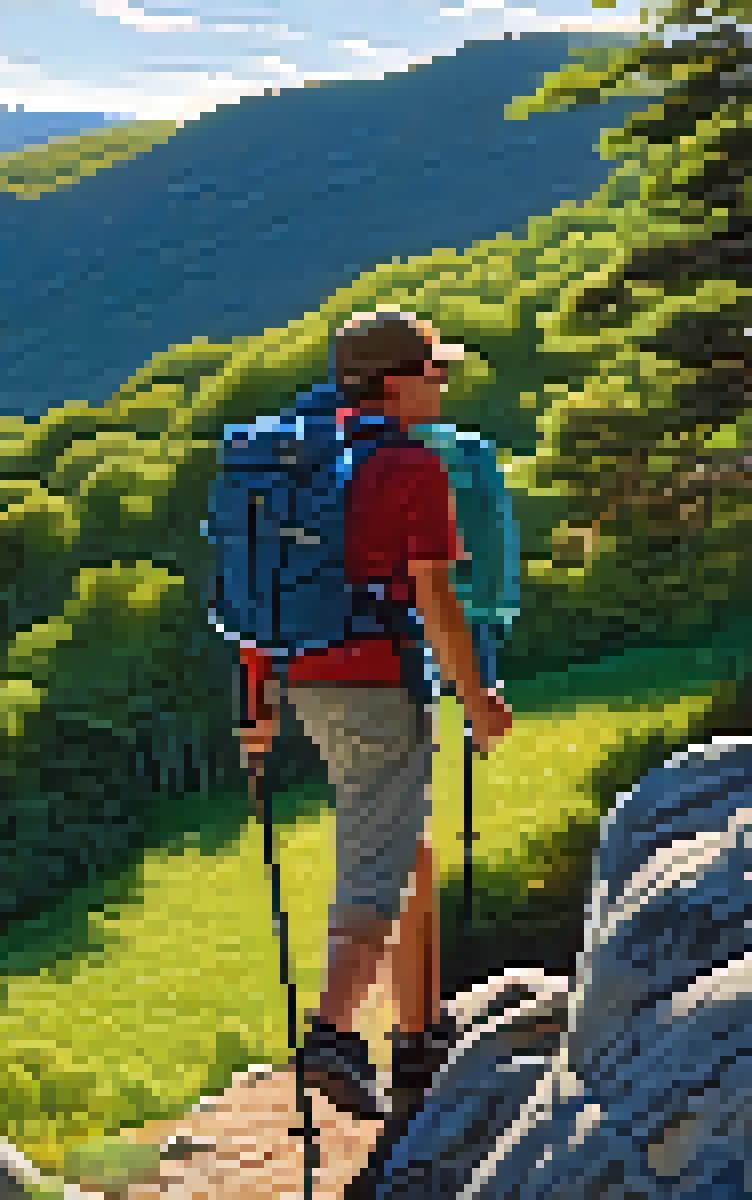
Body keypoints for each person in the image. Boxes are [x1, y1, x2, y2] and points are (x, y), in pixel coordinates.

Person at [235, 309, 516, 1125]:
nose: (443, 383)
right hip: (376, 679)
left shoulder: (299, 455)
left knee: (403, 841)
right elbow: (437, 601)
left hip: (306, 677)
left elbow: (259, 591)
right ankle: (330, 1037)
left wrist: (254, 706)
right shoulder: (409, 469)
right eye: (434, 371)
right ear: (395, 381)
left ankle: (420, 1033)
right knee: (378, 854)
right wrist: (477, 699)